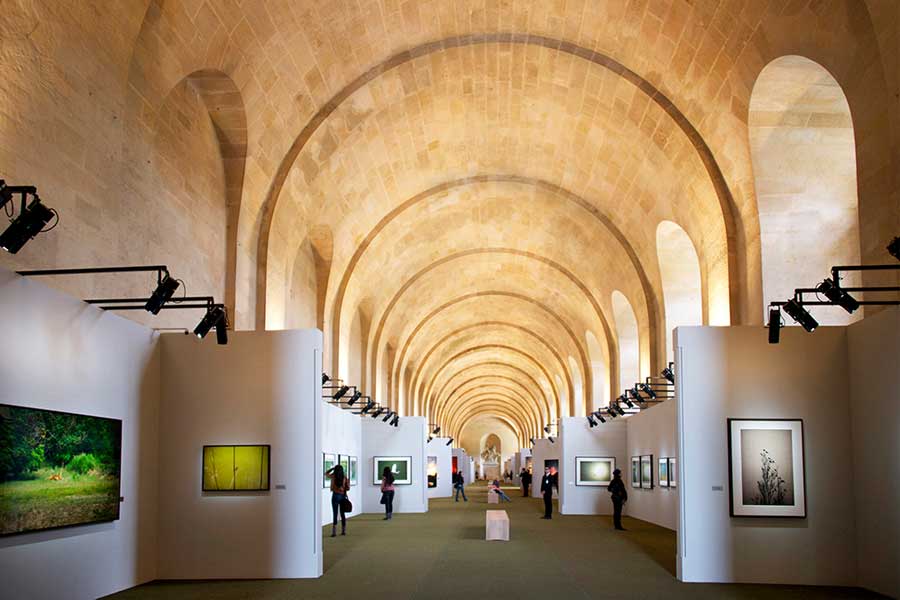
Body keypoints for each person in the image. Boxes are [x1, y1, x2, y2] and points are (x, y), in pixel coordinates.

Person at [325, 464, 350, 537]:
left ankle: (334, 532)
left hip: (335, 495)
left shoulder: (333, 476)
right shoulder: (345, 477)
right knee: (342, 514)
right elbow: (348, 488)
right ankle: (343, 531)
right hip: (342, 496)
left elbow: (326, 473)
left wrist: (332, 469)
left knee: (335, 513)